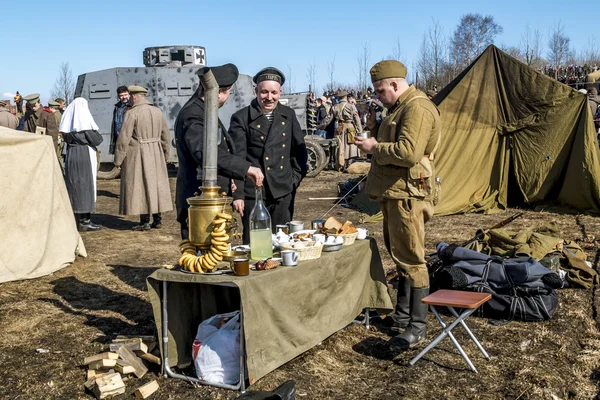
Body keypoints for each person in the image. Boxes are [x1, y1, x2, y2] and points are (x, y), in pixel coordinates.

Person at [355, 60, 441, 350]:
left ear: (394, 84)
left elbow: (407, 152)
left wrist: (373, 148)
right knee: (401, 255)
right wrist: (375, 126)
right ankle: (403, 318)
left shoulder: (416, 107)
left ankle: (417, 326)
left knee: (412, 259)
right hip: (397, 193)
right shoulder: (399, 108)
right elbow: (396, 138)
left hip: (408, 195)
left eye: (380, 91)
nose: (378, 96)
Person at [174, 63, 264, 240]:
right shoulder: (194, 114)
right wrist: (246, 168)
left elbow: (219, 150)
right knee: (203, 258)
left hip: (211, 200)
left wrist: (228, 178)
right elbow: (204, 153)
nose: (228, 98)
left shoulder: (203, 110)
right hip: (200, 201)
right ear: (220, 91)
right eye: (228, 92)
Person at [229, 67, 308, 243]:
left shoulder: (288, 115)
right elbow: (237, 159)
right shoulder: (241, 118)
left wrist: (294, 180)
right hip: (254, 193)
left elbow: (299, 152)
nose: (269, 97)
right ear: (256, 91)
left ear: (280, 92)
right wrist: (239, 195)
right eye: (264, 92)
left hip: (283, 190)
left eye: (274, 92)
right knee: (255, 243)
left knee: (281, 242)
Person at [114, 85, 173, 230]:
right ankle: (157, 219)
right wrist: (166, 154)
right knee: (155, 185)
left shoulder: (132, 113)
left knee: (141, 186)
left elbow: (124, 138)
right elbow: (166, 135)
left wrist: (118, 160)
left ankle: (144, 221)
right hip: (156, 152)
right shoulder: (157, 111)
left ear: (134, 96)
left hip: (138, 153)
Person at [59, 98, 104, 231]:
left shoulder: (68, 127)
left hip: (72, 154)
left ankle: (76, 219)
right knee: (85, 186)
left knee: (74, 185)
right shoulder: (85, 125)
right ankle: (85, 221)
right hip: (84, 155)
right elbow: (97, 139)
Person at [332, 90, 362, 168]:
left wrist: (321, 126)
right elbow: (356, 119)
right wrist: (360, 130)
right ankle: (348, 164)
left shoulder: (335, 106)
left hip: (339, 127)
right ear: (346, 97)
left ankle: (340, 163)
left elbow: (328, 119)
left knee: (340, 145)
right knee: (349, 145)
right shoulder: (351, 106)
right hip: (349, 127)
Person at [110, 86, 131, 154]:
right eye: (121, 95)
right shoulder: (117, 107)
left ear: (129, 94)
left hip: (130, 141)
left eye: (125, 95)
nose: (124, 97)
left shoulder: (132, 106)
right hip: (119, 140)